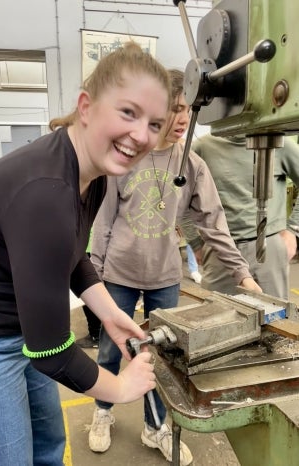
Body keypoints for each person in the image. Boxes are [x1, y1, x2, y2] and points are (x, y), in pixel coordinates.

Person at [0, 42, 172, 466]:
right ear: (86, 106)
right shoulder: (46, 192)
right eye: (128, 113)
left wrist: (109, 314)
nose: (143, 135)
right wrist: (121, 388)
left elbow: (70, 255)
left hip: (22, 331)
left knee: (49, 447)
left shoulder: (94, 176)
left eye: (154, 123)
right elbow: (51, 351)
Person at [88, 69, 260, 466]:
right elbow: (103, 219)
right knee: (110, 352)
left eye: (189, 111)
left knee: (162, 361)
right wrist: (93, 273)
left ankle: (154, 427)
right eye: (177, 109)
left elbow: (213, 225)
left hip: (165, 278)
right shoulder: (128, 157)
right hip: (118, 275)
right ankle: (103, 412)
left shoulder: (193, 165)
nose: (183, 118)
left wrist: (243, 275)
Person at [188, 133, 299, 298]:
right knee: (216, 316)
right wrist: (195, 241)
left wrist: (292, 229)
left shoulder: (279, 143)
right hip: (221, 249)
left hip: (270, 249)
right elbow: (181, 198)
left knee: (274, 316)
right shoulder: (202, 148)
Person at [77, 228, 102, 348]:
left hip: (88, 248)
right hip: (96, 247)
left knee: (87, 293)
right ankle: (97, 332)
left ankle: (95, 335)